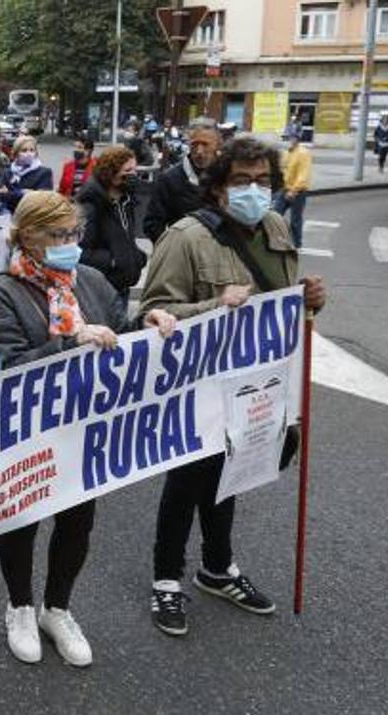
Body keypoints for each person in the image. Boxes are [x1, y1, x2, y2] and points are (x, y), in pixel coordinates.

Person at [140, 136, 328, 636]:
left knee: (234, 473)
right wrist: (214, 306)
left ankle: (218, 568)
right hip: (198, 387)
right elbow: (150, 313)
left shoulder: (277, 226)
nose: (254, 190)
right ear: (220, 188)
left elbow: (280, 305)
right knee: (186, 484)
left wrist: (309, 300)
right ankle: (166, 580)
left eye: (263, 181)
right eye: (241, 181)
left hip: (258, 386)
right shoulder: (185, 237)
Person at [0, 191, 177, 664]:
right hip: (30, 432)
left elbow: (119, 332)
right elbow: (7, 366)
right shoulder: (2, 293)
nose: (68, 242)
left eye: (73, 233)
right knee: (24, 522)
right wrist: (70, 344)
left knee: (76, 523)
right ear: (27, 237)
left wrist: (146, 323)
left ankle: (58, 608)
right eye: (56, 235)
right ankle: (21, 607)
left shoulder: (88, 280)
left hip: (86, 429)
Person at [75, 145, 147, 314]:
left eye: (134, 170)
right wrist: (115, 260)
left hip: (122, 286)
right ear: (111, 173)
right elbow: (80, 252)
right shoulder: (91, 206)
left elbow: (124, 239)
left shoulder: (125, 202)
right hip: (103, 290)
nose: (133, 176)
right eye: (128, 171)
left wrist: (135, 257)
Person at [143, 118, 221, 242]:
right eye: (194, 144)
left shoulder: (229, 175)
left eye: (205, 144)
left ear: (217, 144)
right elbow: (153, 224)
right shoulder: (169, 179)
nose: (199, 151)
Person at [0, 134, 54, 213]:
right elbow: (1, 195)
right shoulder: (8, 172)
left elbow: (42, 199)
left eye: (32, 150)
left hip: (31, 216)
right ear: (16, 153)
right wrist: (23, 192)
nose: (29, 153)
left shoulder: (44, 172)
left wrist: (10, 193)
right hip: (10, 215)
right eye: (24, 150)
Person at [274, 131, 312, 249]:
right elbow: (283, 171)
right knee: (275, 215)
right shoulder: (287, 153)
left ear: (297, 139)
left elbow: (303, 175)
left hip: (298, 192)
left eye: (291, 138)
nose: (288, 141)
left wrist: (294, 191)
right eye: (287, 138)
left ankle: (297, 244)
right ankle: (276, 239)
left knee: (295, 219)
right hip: (285, 189)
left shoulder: (303, 153)